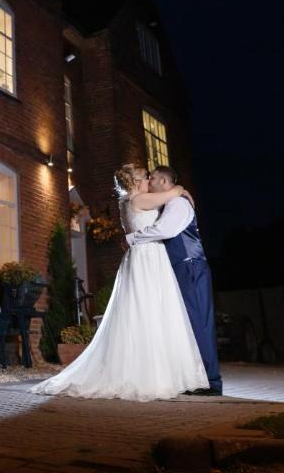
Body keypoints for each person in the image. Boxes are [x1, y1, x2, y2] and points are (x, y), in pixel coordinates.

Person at [30, 163, 208, 401]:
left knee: (143, 312)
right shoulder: (140, 199)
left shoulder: (125, 202)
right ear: (135, 182)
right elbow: (174, 192)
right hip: (148, 258)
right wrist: (182, 189)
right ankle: (152, 374)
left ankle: (151, 369)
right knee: (150, 311)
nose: (148, 180)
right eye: (145, 177)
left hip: (140, 258)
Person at [128, 165, 222, 396]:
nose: (149, 183)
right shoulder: (171, 201)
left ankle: (211, 382)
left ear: (162, 181)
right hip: (182, 267)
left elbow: (166, 230)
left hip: (190, 266)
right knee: (188, 324)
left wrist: (132, 238)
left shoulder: (178, 204)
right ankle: (196, 378)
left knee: (199, 323)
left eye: (152, 179)